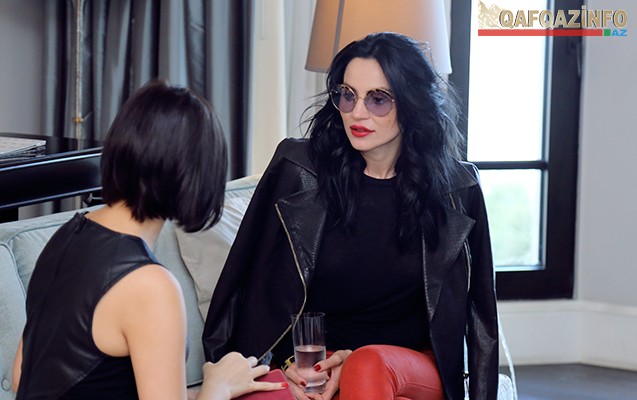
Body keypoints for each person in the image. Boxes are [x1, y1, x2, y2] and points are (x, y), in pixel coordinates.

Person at [202, 32, 499, 400]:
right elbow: (243, 280)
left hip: (407, 364)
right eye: (347, 95)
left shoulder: (458, 188)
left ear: (412, 104)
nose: (357, 113)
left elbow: (482, 316)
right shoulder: (297, 169)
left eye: (378, 99)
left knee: (366, 365)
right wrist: (281, 365)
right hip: (316, 362)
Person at [11, 81, 286, 400]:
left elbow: (21, 377)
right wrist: (217, 387)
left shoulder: (67, 235)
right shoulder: (151, 286)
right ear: (196, 177)